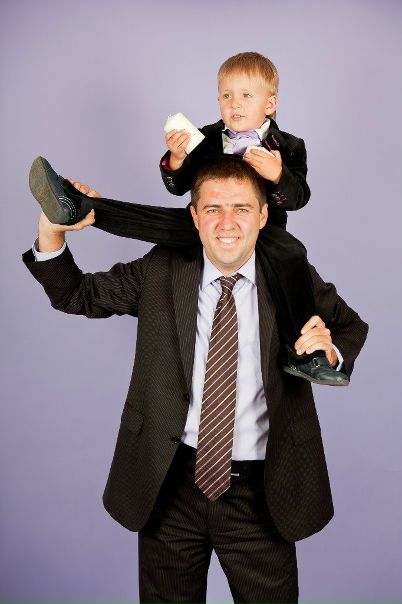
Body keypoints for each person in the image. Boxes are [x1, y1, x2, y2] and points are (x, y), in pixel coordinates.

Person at [23, 157, 368, 603]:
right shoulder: (162, 268)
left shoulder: (290, 274)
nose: (227, 223)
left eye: (241, 209)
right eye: (213, 209)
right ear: (194, 217)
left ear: (263, 216)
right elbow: (76, 294)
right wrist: (51, 231)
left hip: (262, 494)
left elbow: (349, 327)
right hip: (169, 486)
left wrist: (330, 351)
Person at [28, 51, 347, 386]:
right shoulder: (204, 138)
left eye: (246, 95)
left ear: (270, 103)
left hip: (263, 235)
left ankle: (303, 356)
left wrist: (278, 175)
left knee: (293, 250)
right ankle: (76, 205)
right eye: (226, 96)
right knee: (152, 219)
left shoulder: (290, 147)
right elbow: (178, 187)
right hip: (199, 227)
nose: (235, 104)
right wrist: (177, 158)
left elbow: (299, 197)